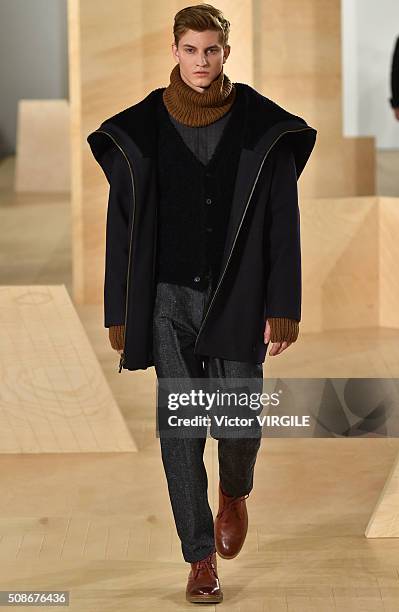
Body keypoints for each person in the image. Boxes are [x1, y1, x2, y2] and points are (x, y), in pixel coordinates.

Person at [87, 3, 317, 604]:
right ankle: (199, 559)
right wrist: (120, 308)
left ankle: (234, 489)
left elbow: (282, 226)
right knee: (182, 430)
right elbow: (122, 227)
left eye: (211, 50)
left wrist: (283, 304)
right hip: (166, 298)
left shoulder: (261, 129)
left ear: (225, 53)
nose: (200, 62)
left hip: (235, 294)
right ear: (174, 51)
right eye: (190, 50)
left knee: (238, 418)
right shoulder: (142, 129)